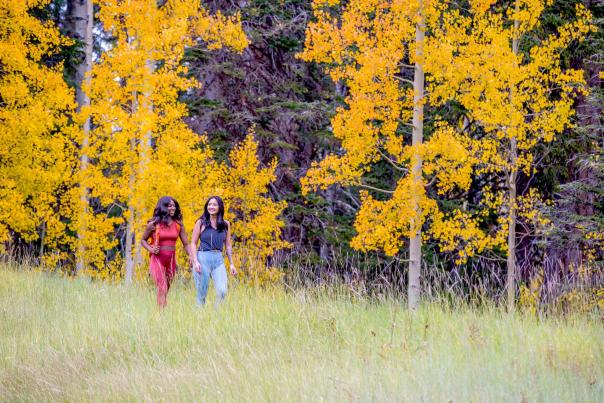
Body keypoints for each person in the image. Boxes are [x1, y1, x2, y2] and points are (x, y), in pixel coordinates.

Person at [141, 196, 197, 308]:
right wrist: (151, 249)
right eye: (169, 206)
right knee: (162, 287)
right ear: (163, 207)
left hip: (171, 260)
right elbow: (143, 240)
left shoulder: (178, 224)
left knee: (166, 289)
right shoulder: (153, 224)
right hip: (157, 259)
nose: (173, 208)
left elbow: (186, 243)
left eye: (174, 206)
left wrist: (192, 256)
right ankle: (159, 316)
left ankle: (162, 313)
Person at [190, 196, 237, 306]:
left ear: (220, 207)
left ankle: (216, 315)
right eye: (209, 204)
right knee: (202, 293)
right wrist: (195, 261)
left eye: (214, 204)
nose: (211, 207)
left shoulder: (225, 224)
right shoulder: (201, 222)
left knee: (222, 291)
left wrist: (231, 264)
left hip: (218, 259)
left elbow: (228, 245)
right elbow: (193, 243)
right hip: (202, 259)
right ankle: (200, 318)